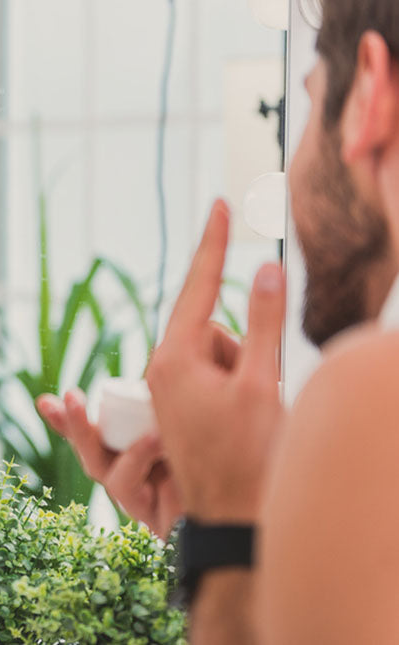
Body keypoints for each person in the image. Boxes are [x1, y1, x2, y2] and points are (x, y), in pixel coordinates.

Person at [38, 0, 399, 642]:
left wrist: (226, 522)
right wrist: (201, 512)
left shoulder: (373, 392)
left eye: (310, 103)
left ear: (368, 91)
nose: (294, 172)